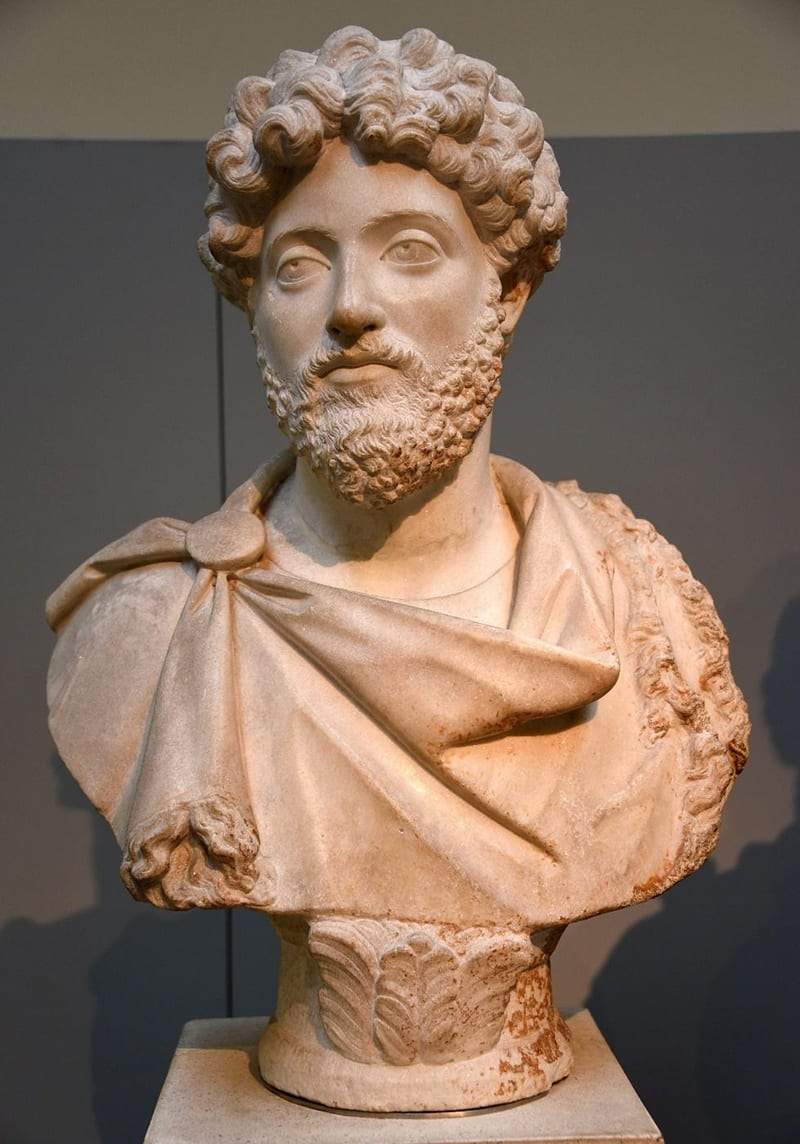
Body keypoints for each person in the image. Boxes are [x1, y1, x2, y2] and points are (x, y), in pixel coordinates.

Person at [45, 26, 749, 1110]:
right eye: (298, 264)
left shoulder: (640, 611)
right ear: (253, 309)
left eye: (410, 248)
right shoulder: (148, 625)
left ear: (505, 291)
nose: (350, 308)